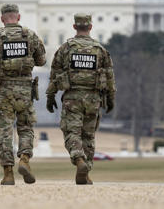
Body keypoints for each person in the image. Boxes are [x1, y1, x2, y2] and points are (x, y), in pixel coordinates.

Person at [0, 3, 46, 185]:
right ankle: (24, 158)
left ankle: (8, 173)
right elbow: (41, 60)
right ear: (18, 17)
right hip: (24, 89)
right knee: (25, 128)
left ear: (2, 19)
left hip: (3, 90)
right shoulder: (29, 35)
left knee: (4, 132)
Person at [45, 13, 116, 185]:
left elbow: (55, 74)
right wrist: (110, 98)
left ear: (75, 27)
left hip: (72, 97)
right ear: (90, 27)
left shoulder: (65, 48)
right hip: (93, 98)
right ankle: (86, 171)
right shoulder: (100, 50)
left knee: (72, 132)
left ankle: (79, 160)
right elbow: (110, 76)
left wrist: (51, 95)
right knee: (88, 136)